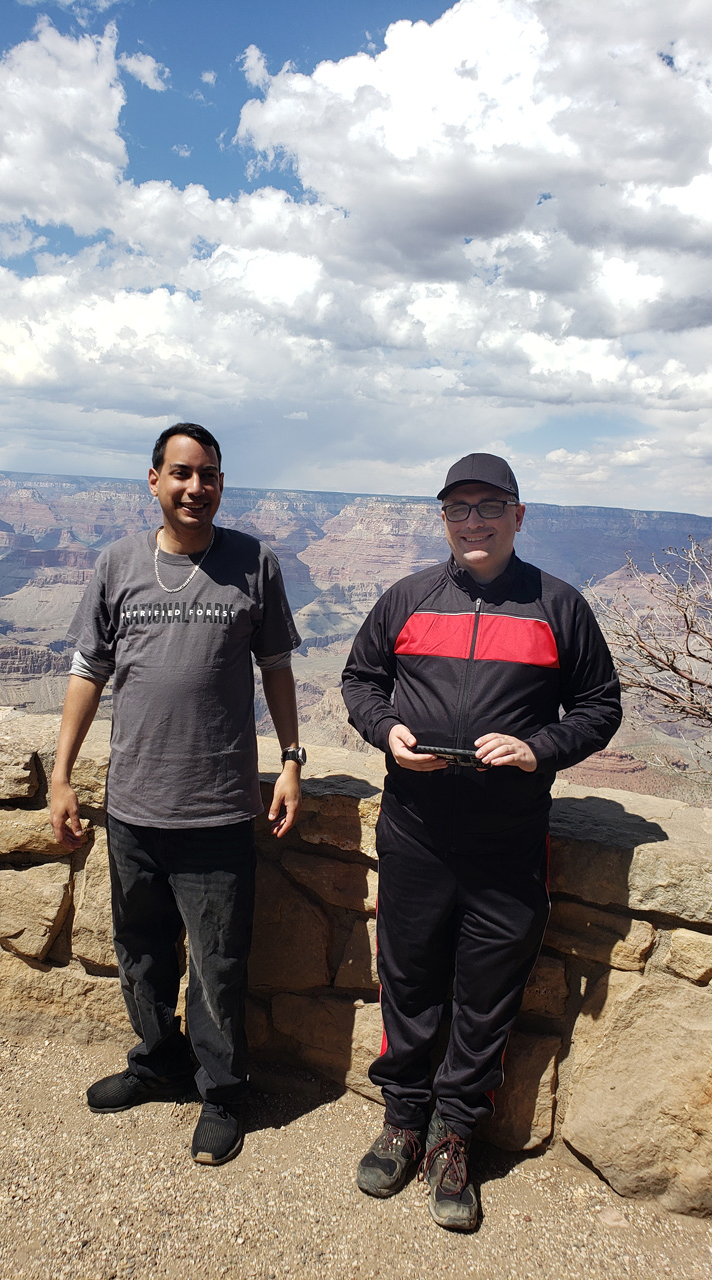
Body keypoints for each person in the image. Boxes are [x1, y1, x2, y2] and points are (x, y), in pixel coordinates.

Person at [341, 452, 621, 1230]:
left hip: (508, 841)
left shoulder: (557, 606)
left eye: (489, 506)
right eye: (459, 508)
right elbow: (359, 682)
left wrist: (539, 749)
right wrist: (388, 731)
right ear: (443, 519)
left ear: (518, 515)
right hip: (416, 832)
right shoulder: (407, 597)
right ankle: (402, 1122)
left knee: (486, 997)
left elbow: (600, 706)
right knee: (409, 983)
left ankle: (455, 1136)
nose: (474, 521)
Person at [49, 423, 304, 1167]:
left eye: (211, 475)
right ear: (154, 479)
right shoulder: (117, 564)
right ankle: (160, 1063)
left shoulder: (254, 562)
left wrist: (290, 761)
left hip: (220, 806)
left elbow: (279, 669)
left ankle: (222, 1093)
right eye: (183, 473)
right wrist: (63, 777)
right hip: (133, 804)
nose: (198, 487)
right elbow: (86, 672)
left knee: (219, 964)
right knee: (141, 954)